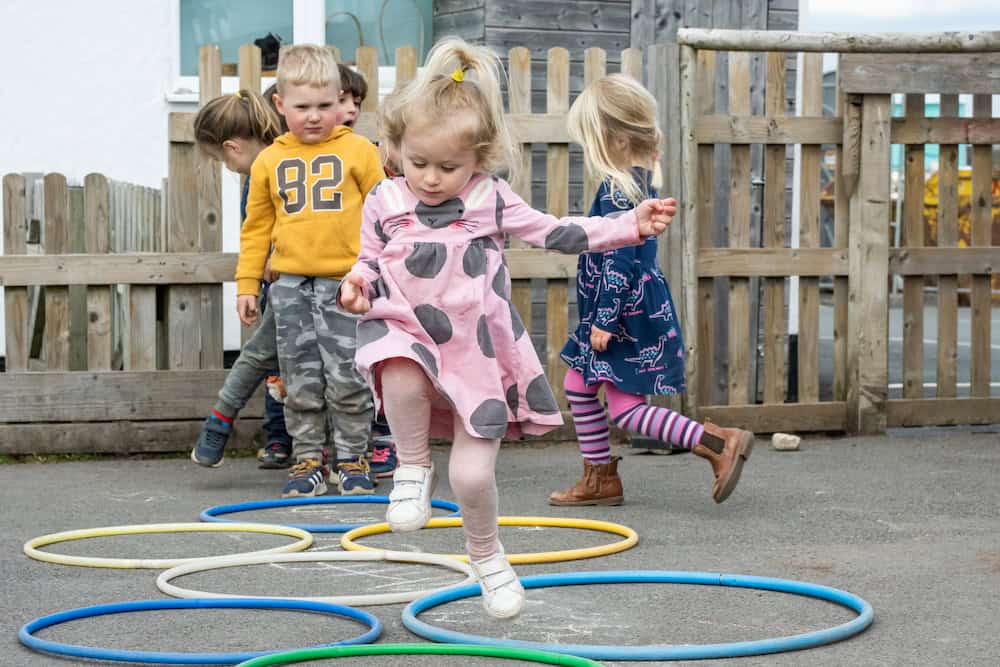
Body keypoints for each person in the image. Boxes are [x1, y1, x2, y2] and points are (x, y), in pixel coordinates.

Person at [338, 38, 676, 619]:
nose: (433, 178)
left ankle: (488, 559)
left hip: (478, 352)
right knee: (395, 365)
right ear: (397, 148)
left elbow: (558, 232)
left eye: (449, 166)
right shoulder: (384, 198)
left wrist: (629, 225)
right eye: (419, 163)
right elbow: (367, 258)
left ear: (480, 156)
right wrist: (356, 283)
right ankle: (413, 466)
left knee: (472, 476)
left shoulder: (489, 198)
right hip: (408, 330)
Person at [549, 73, 754, 508]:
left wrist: (603, 320)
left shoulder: (619, 188)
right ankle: (600, 477)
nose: (587, 151)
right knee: (579, 384)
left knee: (625, 410)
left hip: (622, 317)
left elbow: (621, 257)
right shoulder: (636, 180)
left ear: (615, 141)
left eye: (590, 141)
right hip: (628, 311)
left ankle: (717, 443)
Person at [237, 45, 385, 498]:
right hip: (290, 289)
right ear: (281, 105)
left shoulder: (360, 151)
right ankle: (307, 460)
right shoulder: (268, 161)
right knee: (300, 380)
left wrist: (383, 272)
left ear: (343, 102)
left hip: (347, 286)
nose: (315, 116)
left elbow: (384, 215)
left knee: (347, 376)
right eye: (302, 108)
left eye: (326, 106)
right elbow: (256, 227)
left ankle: (353, 458)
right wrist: (246, 283)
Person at [189, 89, 292, 469]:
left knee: (262, 360)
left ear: (232, 147)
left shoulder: (267, 171)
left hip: (306, 286)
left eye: (222, 160)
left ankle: (220, 427)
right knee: (272, 361)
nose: (228, 168)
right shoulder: (275, 166)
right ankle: (235, 429)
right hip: (285, 288)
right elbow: (258, 235)